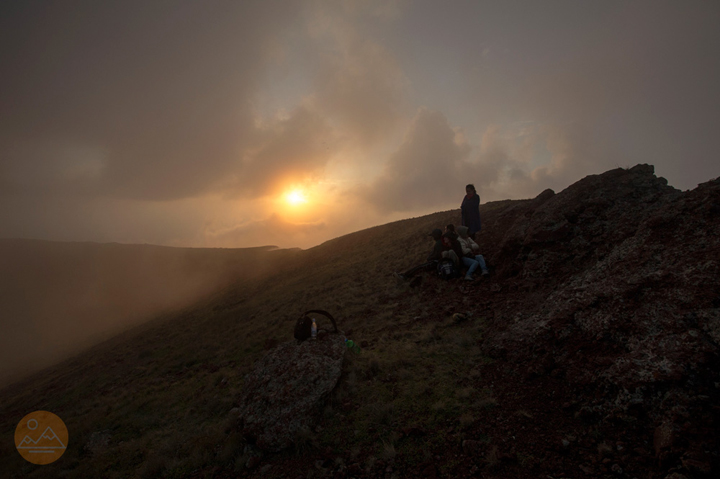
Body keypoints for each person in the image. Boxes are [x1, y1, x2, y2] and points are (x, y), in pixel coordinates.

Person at [394, 229, 458, 280]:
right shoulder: (441, 241)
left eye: (433, 236)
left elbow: (437, 255)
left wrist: (430, 258)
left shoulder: (439, 243)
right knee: (421, 267)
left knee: (420, 267)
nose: (433, 237)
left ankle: (405, 276)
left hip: (437, 262)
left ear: (436, 236)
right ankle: (404, 275)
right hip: (439, 261)